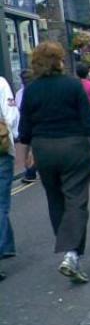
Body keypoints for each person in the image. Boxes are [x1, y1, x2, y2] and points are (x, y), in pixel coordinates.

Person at [19, 41, 90, 283]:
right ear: (59, 60)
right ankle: (71, 254)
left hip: (44, 149)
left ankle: (69, 250)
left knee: (55, 199)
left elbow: (24, 127)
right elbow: (89, 120)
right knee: (76, 199)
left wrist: (25, 156)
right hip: (73, 148)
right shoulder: (73, 85)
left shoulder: (31, 90)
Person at [0, 75, 19, 281]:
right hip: (1, 151)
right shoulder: (0, 83)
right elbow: (11, 116)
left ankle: (7, 246)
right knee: (1, 204)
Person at [15, 70, 37, 183]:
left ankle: (30, 172)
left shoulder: (20, 93)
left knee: (27, 149)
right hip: (35, 124)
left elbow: (18, 109)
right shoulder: (37, 90)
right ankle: (31, 171)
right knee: (32, 149)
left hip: (25, 125)